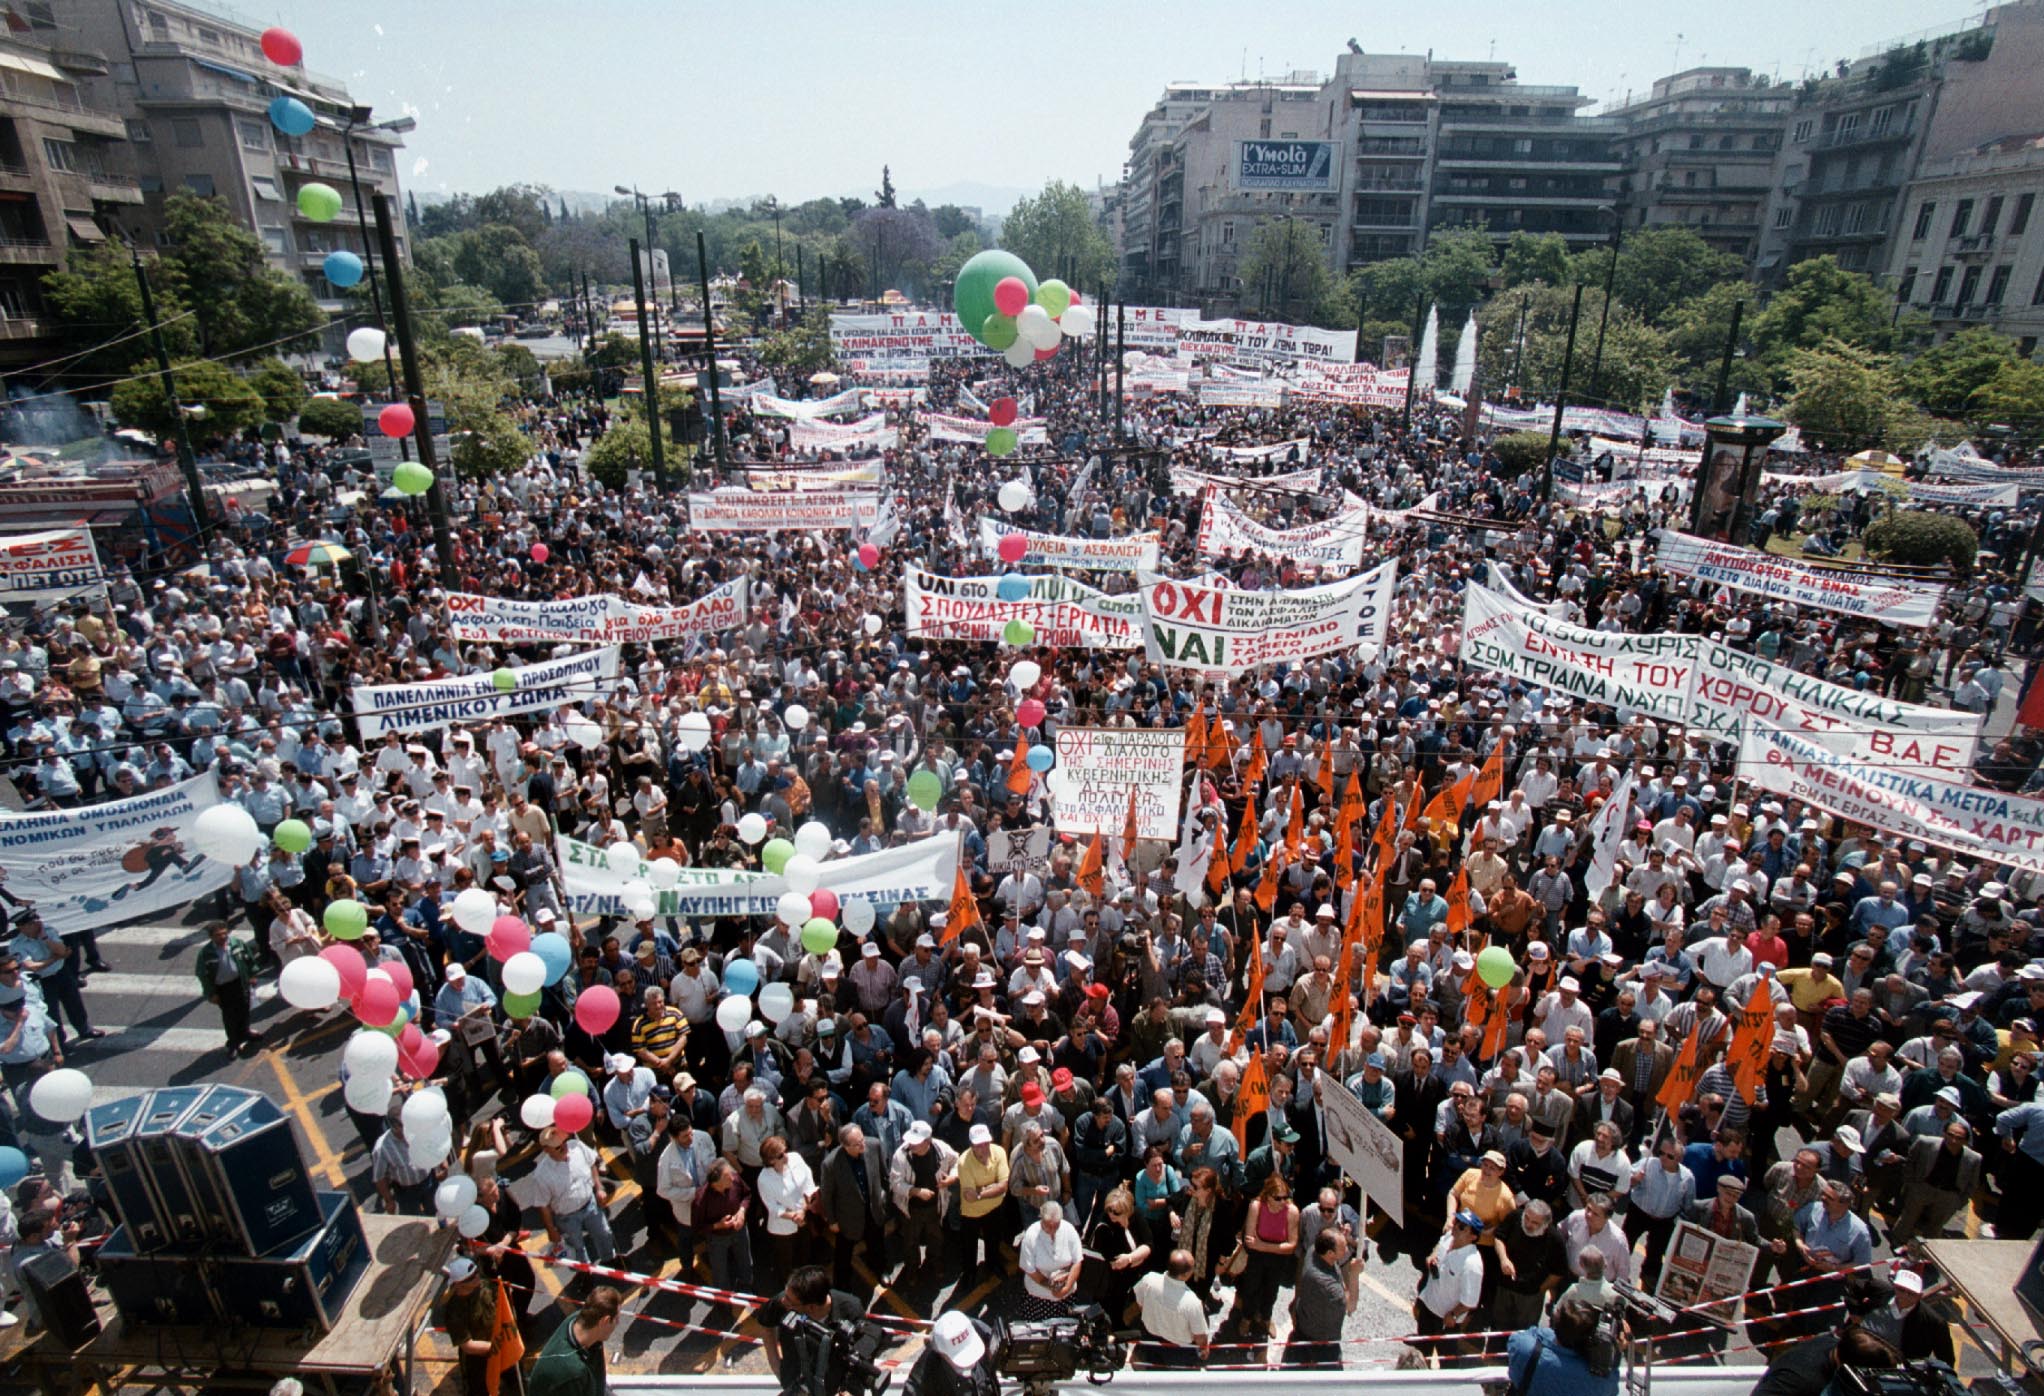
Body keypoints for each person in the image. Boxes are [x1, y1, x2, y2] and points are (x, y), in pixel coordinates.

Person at [758, 1265, 867, 1396]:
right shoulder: (785, 1301)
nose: (783, 1301)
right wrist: (776, 1364)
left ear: (811, 1308)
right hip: (797, 1384)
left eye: (790, 1302)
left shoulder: (851, 1310)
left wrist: (849, 1391)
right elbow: (766, 1324)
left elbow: (862, 1358)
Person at [1505, 1297, 1618, 1396]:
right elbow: (1612, 1390)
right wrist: (1614, 1348)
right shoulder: (1601, 1380)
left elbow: (1519, 1338)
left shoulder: (1527, 1351)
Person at [1284, 1226, 1359, 1369]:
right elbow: (1351, 1305)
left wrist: (1340, 1236)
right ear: (1330, 1253)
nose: (1347, 1250)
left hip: (1304, 1326)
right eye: (1343, 1248)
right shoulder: (1325, 1283)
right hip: (1322, 1343)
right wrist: (1354, 1274)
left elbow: (1327, 1236)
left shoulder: (1315, 1249)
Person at [527, 1284, 619, 1396]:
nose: (618, 1323)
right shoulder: (573, 1373)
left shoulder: (579, 1320)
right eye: (616, 1319)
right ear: (605, 1321)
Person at [193, 919, 262, 1056]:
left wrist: (252, 974)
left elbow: (248, 959)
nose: (223, 937)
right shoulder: (206, 954)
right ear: (211, 936)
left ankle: (245, 1032)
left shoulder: (236, 944)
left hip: (240, 982)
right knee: (230, 1016)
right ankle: (233, 1043)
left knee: (244, 1010)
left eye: (225, 933)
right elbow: (202, 975)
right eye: (218, 935)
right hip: (223, 989)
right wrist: (211, 993)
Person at [1134, 1249, 1211, 1368]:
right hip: (1180, 1353)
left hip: (1149, 1342)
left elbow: (1140, 1303)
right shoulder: (1192, 1302)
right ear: (1186, 1274)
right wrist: (1204, 1350)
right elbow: (1200, 1336)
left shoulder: (1149, 1280)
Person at [906, 1310, 1000, 1396]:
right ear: (941, 1354)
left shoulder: (979, 1330)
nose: (971, 1362)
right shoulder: (921, 1378)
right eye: (963, 1357)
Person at [1017, 1199, 1083, 1319]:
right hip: (1039, 1297)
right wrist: (1051, 1287)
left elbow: (1077, 1261)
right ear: (1041, 1218)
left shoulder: (1069, 1230)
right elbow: (1030, 1270)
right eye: (1047, 1226)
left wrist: (1066, 1288)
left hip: (1066, 1295)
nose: (1052, 1230)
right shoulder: (1031, 1235)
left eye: (1056, 1226)